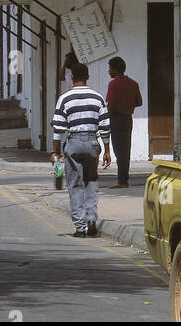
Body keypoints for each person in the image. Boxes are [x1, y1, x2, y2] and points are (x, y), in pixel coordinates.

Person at [51, 62, 110, 238]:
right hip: (92, 142)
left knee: (75, 185)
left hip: (74, 143)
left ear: (72, 77)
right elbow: (105, 126)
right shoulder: (97, 97)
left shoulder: (64, 99)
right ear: (88, 77)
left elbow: (58, 129)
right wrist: (107, 151)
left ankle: (80, 227)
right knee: (91, 182)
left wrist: (54, 152)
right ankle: (91, 221)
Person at [105, 56, 143, 187]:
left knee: (118, 150)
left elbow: (110, 104)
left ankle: (122, 181)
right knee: (125, 150)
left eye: (110, 68)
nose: (109, 71)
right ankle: (123, 179)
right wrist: (128, 104)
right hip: (127, 118)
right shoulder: (133, 83)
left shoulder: (113, 84)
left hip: (116, 118)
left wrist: (106, 119)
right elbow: (139, 102)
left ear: (115, 69)